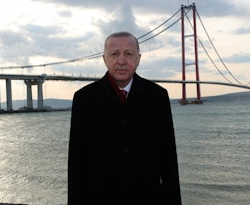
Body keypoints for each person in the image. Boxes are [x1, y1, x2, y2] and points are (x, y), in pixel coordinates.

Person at [68, 32, 182, 205]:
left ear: (138, 59)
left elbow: (168, 160)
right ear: (104, 59)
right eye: (114, 54)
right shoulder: (84, 99)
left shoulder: (157, 96)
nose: (121, 61)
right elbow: (76, 163)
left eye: (128, 54)